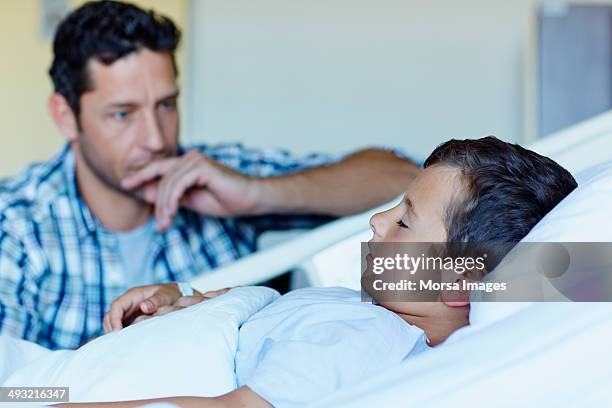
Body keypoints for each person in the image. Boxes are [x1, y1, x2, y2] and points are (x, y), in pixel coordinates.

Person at [0, 1, 419, 350]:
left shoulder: (213, 173)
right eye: (123, 114)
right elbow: (12, 390)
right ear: (65, 116)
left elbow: (411, 179)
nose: (154, 138)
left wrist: (257, 195)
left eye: (166, 105)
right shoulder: (15, 224)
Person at [61, 136, 577, 407]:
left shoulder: (366, 338)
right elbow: (258, 325)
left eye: (403, 220)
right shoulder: (357, 306)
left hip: (70, 390)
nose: (376, 220)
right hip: (81, 370)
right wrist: (185, 302)